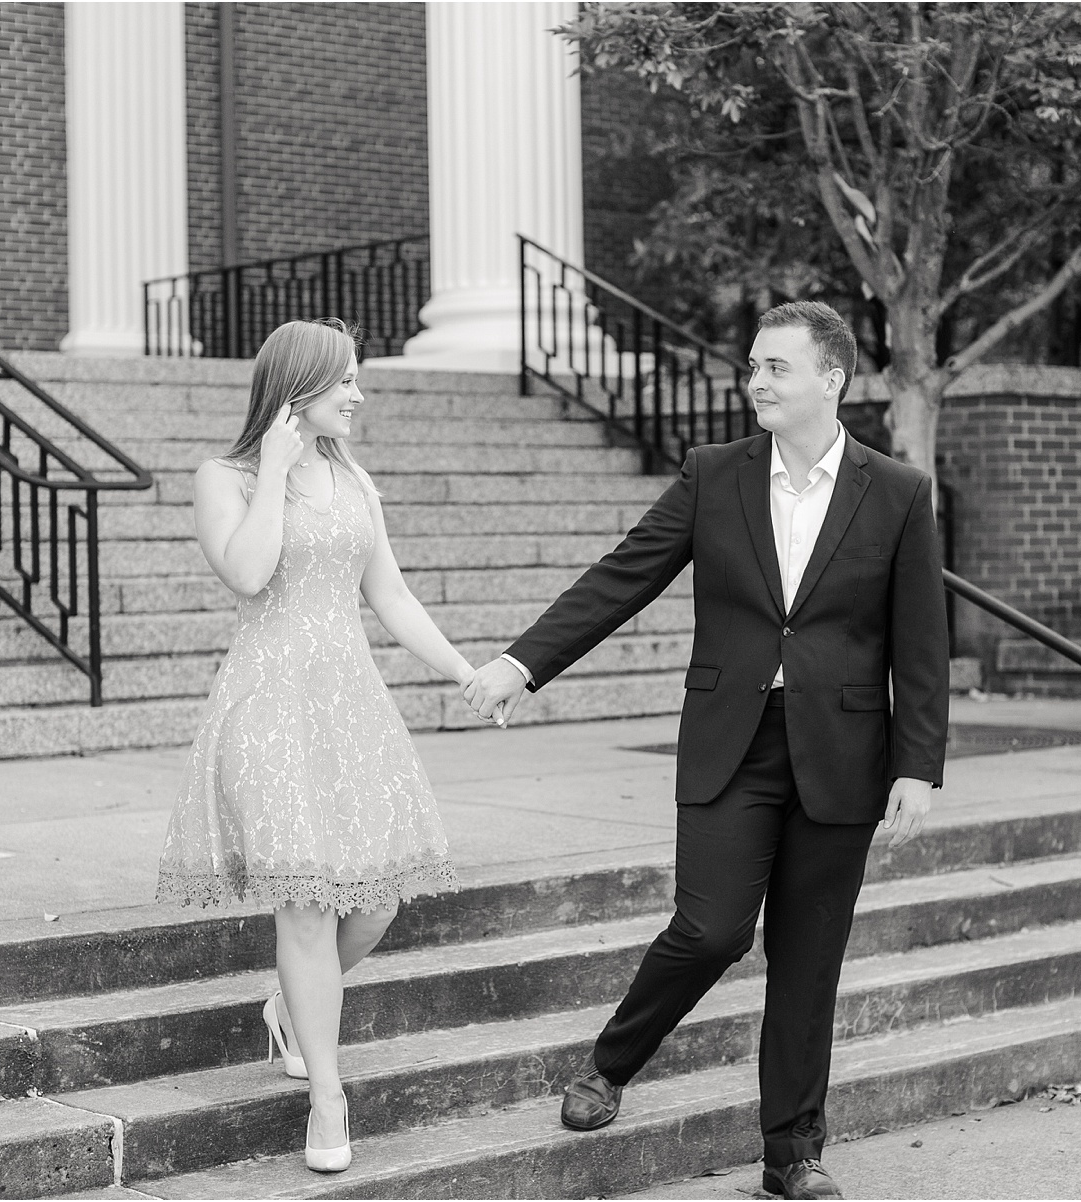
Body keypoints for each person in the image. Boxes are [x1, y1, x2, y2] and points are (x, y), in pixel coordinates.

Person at [464, 301, 949, 1200]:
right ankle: (614, 1060)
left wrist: (918, 763)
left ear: (831, 379)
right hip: (733, 745)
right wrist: (523, 663)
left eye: (775, 367)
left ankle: (792, 1155)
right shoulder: (714, 474)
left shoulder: (897, 492)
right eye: (753, 366)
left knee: (809, 958)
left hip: (843, 756)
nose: (755, 380)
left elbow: (920, 643)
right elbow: (624, 573)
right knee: (713, 928)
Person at [157, 318, 473, 1175]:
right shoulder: (221, 477)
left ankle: (289, 1006)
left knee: (372, 902)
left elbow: (393, 597)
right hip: (267, 708)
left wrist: (463, 671)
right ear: (298, 388)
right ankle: (327, 1097)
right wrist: (274, 472)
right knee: (303, 902)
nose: (358, 397)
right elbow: (250, 573)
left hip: (351, 705)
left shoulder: (357, 481)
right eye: (344, 384)